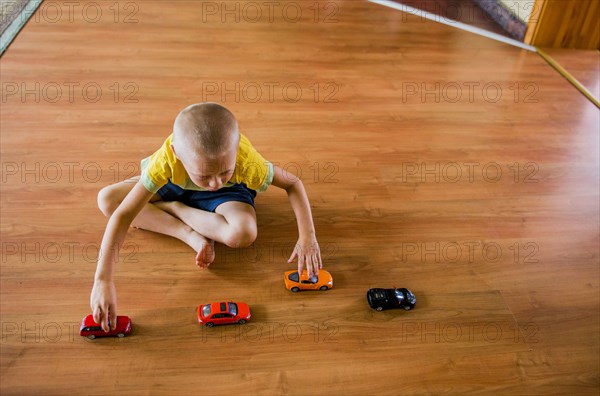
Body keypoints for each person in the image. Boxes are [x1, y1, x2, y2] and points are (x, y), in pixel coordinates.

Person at [91, 102, 322, 332]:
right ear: (176, 153)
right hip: (174, 183)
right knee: (107, 200)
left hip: (227, 196)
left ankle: (175, 209)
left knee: (244, 233)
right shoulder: (165, 161)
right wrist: (103, 280)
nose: (215, 182)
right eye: (205, 175)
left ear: (236, 150)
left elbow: (292, 184)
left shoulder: (246, 161)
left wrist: (307, 236)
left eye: (225, 171)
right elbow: (123, 214)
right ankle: (187, 231)